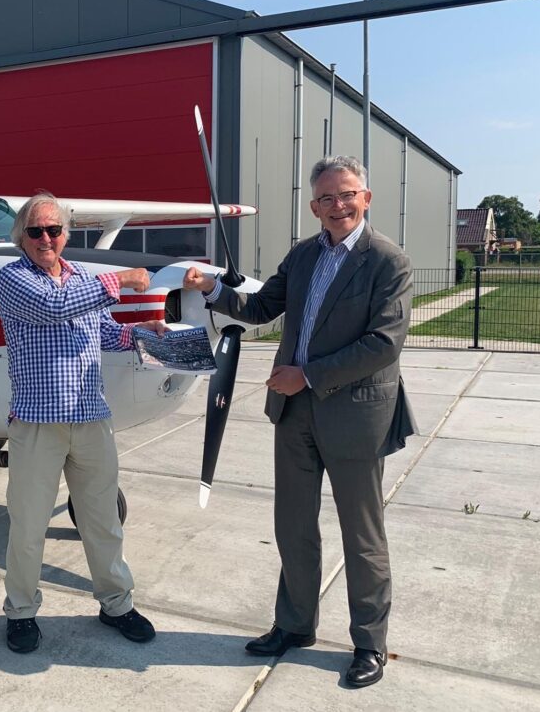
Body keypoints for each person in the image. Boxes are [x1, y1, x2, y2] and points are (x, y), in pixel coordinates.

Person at [183, 155, 415, 688]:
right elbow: (263, 307)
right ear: (314, 206)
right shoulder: (305, 255)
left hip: (355, 417)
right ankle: (293, 625)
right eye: (327, 199)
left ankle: (369, 645)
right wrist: (211, 289)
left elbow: (383, 344)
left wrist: (306, 376)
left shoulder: (388, 261)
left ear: (366, 197)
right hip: (295, 417)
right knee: (292, 525)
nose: (338, 206)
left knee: (362, 535)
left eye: (347, 194)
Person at [0, 191, 166, 654]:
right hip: (37, 423)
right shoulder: (13, 278)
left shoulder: (78, 280)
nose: (45, 238)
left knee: (104, 521)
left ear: (66, 235)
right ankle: (21, 611)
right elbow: (54, 308)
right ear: (22, 238)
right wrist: (123, 278)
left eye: (53, 230)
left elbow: (103, 330)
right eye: (35, 231)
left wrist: (139, 333)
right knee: (28, 526)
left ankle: (116, 604)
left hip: (90, 418)